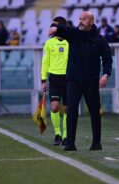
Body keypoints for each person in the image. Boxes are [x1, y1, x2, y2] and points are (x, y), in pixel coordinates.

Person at [49, 11, 113, 151]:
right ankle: (70, 143)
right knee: (71, 111)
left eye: (84, 19)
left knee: (94, 111)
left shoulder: (99, 40)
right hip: (73, 80)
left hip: (91, 80)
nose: (81, 21)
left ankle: (96, 143)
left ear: (91, 21)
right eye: (80, 19)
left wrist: (106, 74)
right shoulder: (74, 34)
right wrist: (56, 29)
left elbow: (107, 58)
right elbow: (65, 30)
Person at [41, 16, 69, 146]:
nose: (52, 27)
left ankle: (65, 136)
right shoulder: (49, 43)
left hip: (69, 78)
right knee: (55, 107)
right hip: (54, 78)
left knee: (68, 109)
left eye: (55, 25)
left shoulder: (71, 42)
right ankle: (57, 133)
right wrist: (43, 80)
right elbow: (45, 63)